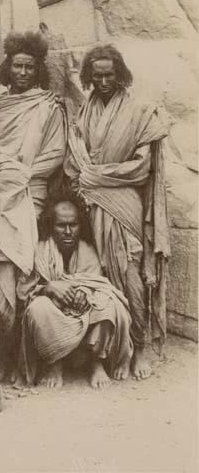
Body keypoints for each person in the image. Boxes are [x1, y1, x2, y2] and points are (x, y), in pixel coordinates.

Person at [64, 44, 170, 380]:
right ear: (89, 77)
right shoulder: (84, 112)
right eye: (98, 75)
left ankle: (138, 349)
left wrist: (96, 175)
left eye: (110, 74)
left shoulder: (140, 111)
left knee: (131, 275)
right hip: (93, 207)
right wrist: (89, 177)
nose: (104, 80)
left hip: (125, 205)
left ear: (120, 73)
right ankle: (108, 354)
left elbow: (141, 168)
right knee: (103, 279)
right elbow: (74, 162)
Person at [0, 31, 67, 377]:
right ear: (8, 67)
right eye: (18, 65)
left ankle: (25, 359)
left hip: (31, 193)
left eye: (30, 67)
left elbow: (56, 153)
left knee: (26, 273)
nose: (24, 72)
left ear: (38, 70)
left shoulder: (48, 106)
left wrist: (20, 173)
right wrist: (3, 174)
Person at [17, 195, 133, 390]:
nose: (68, 232)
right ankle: (55, 363)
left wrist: (85, 292)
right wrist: (48, 288)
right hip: (56, 319)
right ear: (50, 226)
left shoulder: (88, 251)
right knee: (37, 308)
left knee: (111, 304)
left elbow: (101, 286)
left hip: (86, 316)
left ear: (81, 225)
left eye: (74, 225)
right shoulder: (39, 251)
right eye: (61, 225)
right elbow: (23, 292)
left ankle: (95, 362)